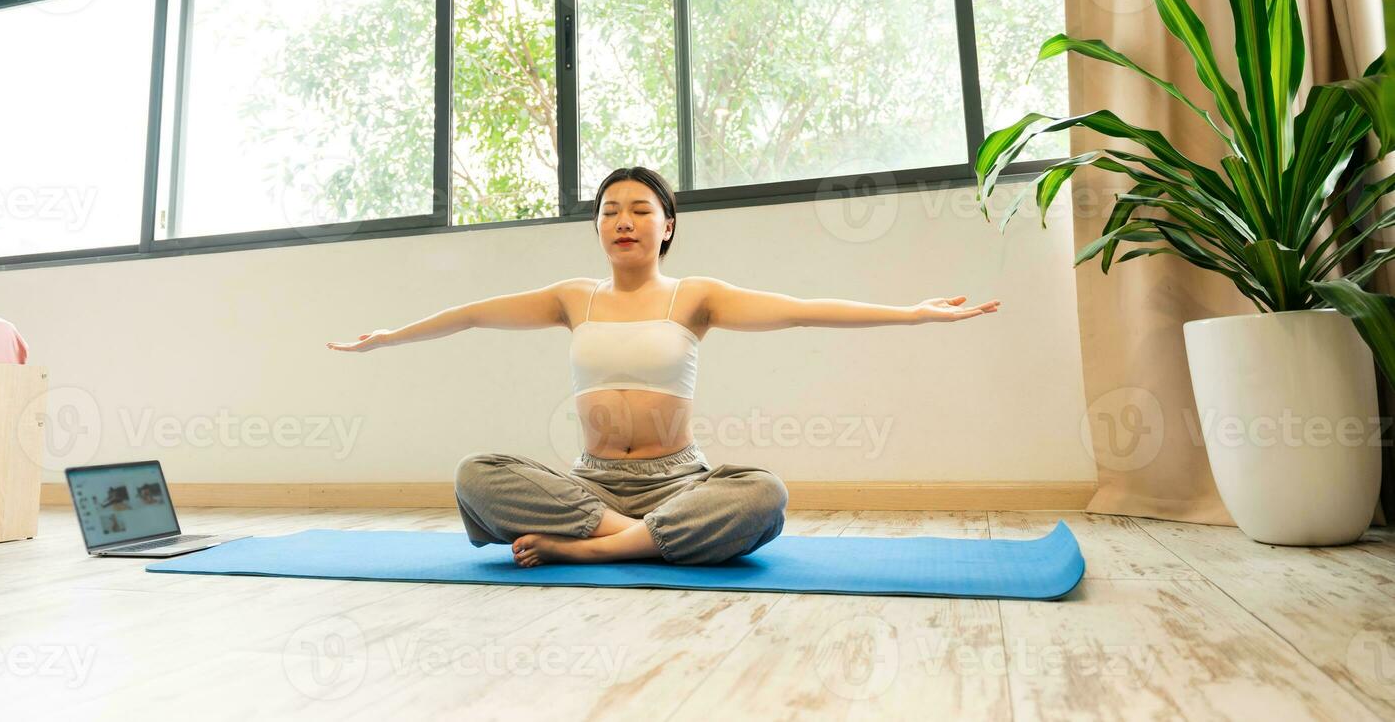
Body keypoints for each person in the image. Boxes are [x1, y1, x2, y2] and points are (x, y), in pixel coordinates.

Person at [328, 165, 1001, 566]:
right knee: (476, 476)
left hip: (677, 482)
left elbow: (800, 308)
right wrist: (390, 336)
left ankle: (589, 551)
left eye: (640, 209)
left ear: (667, 225)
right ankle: (641, 541)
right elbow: (474, 313)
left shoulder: (694, 296)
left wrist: (912, 313)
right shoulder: (573, 298)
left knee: (764, 495)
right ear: (597, 228)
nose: (624, 219)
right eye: (610, 211)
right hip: (590, 487)